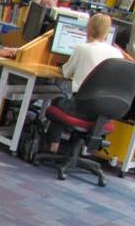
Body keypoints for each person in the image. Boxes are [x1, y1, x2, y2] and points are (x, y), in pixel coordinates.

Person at [45, 13, 124, 152]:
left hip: (81, 109)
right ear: (107, 32)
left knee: (59, 101)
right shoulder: (118, 54)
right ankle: (73, 150)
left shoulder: (82, 48)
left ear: (88, 28)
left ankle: (53, 145)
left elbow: (66, 73)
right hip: (104, 114)